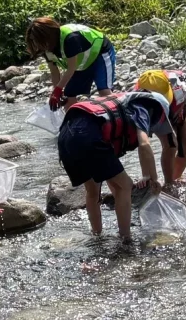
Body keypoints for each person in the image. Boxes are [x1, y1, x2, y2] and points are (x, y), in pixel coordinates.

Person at [55, 87, 174, 241]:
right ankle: (126, 239)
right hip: (87, 136)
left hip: (66, 137)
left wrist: (118, 190)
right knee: (125, 185)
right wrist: (152, 177)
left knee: (93, 192)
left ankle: (97, 237)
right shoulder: (143, 108)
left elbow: (109, 168)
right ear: (157, 110)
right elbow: (144, 144)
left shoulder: (122, 103)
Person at [26, 18, 116, 105]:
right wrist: (57, 92)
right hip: (82, 63)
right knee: (69, 96)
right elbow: (54, 72)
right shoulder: (44, 48)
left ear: (47, 36)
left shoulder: (70, 39)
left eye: (36, 40)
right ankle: (71, 119)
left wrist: (58, 89)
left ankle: (116, 115)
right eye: (33, 40)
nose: (36, 44)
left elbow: (71, 68)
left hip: (100, 52)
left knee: (104, 92)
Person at [144, 68, 186, 188]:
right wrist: (146, 175)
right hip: (156, 115)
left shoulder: (180, 88)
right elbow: (142, 143)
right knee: (171, 145)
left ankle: (175, 177)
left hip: (176, 111)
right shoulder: (139, 101)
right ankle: (169, 184)